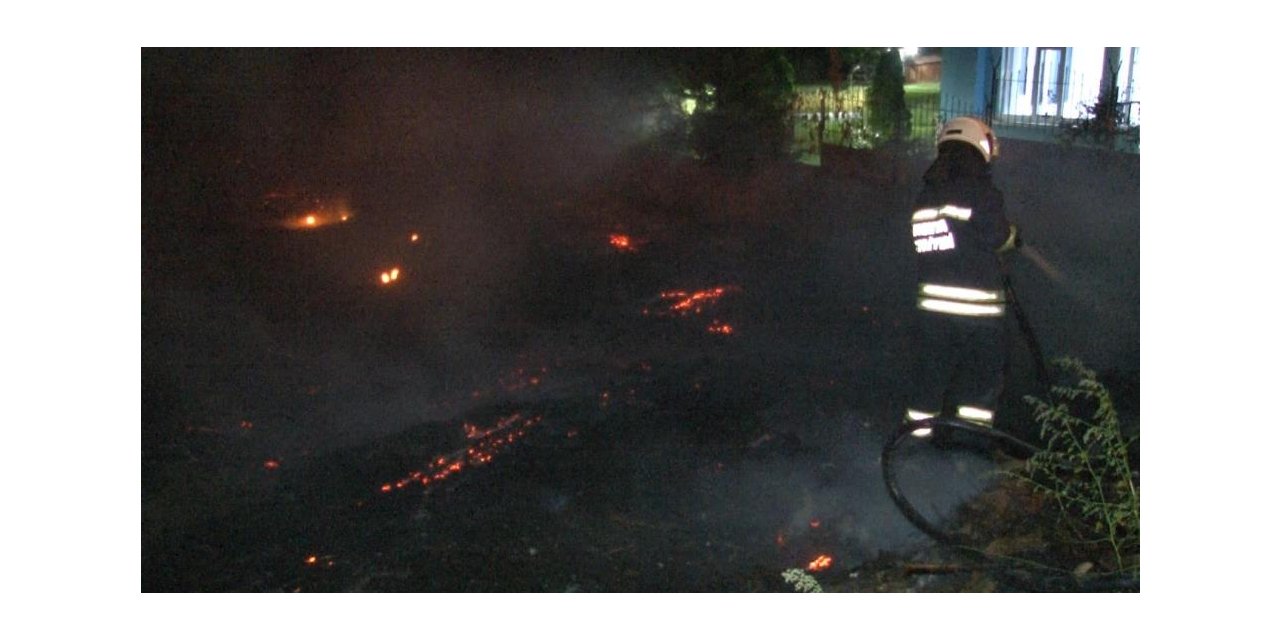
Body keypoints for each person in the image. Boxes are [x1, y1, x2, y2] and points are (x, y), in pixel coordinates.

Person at [904, 116, 1020, 432]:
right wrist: (1014, 236)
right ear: (978, 147)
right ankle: (970, 447)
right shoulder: (982, 192)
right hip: (980, 315)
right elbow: (998, 236)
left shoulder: (925, 197)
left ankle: (914, 442)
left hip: (932, 314)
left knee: (928, 380)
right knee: (979, 386)